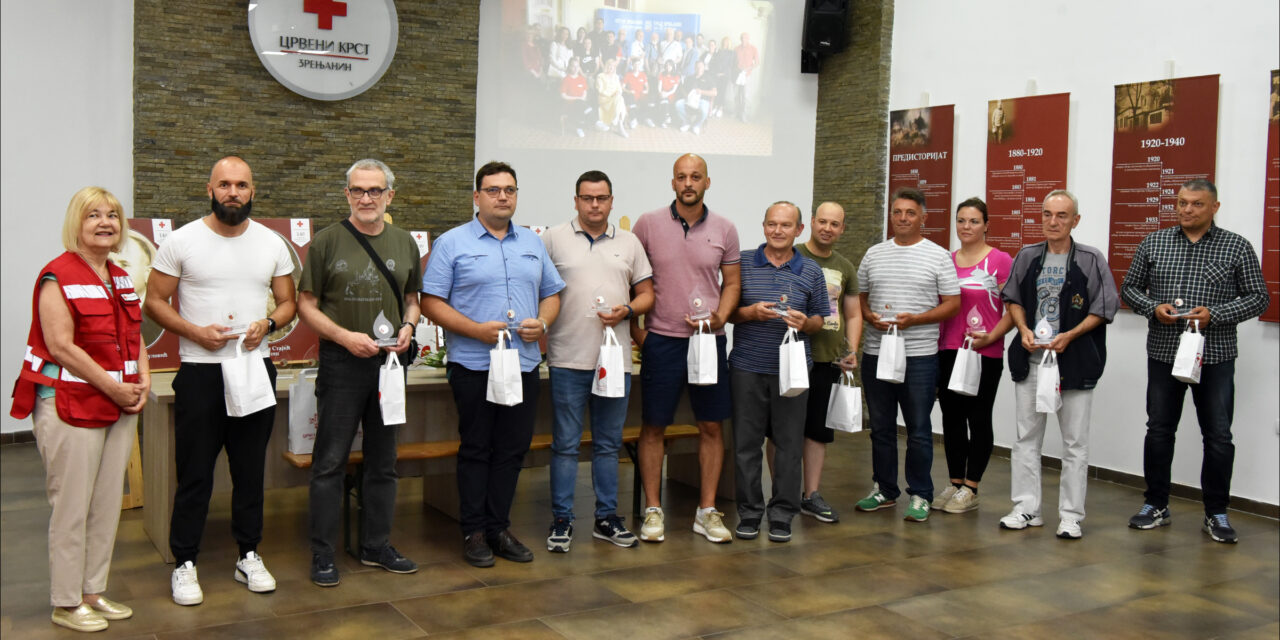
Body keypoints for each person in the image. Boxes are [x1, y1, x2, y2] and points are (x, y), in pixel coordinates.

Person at [144, 156, 297, 605]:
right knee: (195, 472)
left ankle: (248, 554)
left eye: (242, 185)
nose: (234, 192)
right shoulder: (182, 241)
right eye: (225, 184)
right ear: (209, 190)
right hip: (200, 371)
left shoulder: (270, 242)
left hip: (254, 368)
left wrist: (268, 324)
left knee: (249, 471)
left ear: (253, 191)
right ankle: (185, 562)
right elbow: (154, 301)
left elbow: (287, 302)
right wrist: (194, 332)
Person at [11, 187, 148, 632]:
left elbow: (134, 336)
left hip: (117, 405)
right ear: (77, 222)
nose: (105, 222)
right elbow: (61, 347)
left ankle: (92, 592)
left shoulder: (120, 276)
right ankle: (66, 602)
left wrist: (142, 380)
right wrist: (114, 388)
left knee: (106, 504)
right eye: (93, 215)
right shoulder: (57, 275)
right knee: (71, 506)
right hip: (69, 405)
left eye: (112, 215)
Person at [421, 162, 565, 567]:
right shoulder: (451, 242)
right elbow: (430, 301)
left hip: (522, 363)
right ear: (476, 196)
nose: (503, 196)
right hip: (473, 364)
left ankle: (499, 528)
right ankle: (474, 532)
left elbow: (552, 293)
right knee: (477, 449)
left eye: (509, 190)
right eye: (493, 190)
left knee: (512, 449)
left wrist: (543, 322)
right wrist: (474, 330)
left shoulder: (533, 242)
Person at [1120, 179, 1269, 543]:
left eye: (1196, 204)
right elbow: (1129, 288)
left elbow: (1258, 297)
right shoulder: (1154, 242)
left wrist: (1215, 314)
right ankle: (1155, 505)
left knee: (1218, 436)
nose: (1187, 209)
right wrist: (1152, 307)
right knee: (1159, 430)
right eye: (1182, 202)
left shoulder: (1236, 246)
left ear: (1214, 207)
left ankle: (1216, 512)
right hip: (1164, 353)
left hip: (1214, 356)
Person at [297, 159, 422, 587]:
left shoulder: (405, 242)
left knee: (384, 461)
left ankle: (375, 545)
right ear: (347, 194)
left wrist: (409, 327)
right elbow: (306, 305)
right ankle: (322, 553)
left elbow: (413, 299)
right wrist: (344, 337)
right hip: (342, 363)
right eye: (357, 190)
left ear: (390, 195)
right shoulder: (326, 242)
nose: (366, 198)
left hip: (390, 366)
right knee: (330, 462)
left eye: (375, 190)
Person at [631, 154, 741, 544]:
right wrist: (637, 333)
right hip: (662, 341)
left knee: (711, 425)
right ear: (673, 182)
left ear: (707, 182)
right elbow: (632, 280)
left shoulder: (725, 228)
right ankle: (653, 509)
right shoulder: (647, 224)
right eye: (682, 177)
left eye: (696, 177)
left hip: (709, 340)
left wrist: (721, 317)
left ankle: (706, 511)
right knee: (653, 426)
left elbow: (732, 283)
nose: (689, 183)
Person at [542, 170, 654, 553]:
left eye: (601, 198)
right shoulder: (552, 238)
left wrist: (628, 310)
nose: (594, 204)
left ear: (611, 201)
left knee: (608, 444)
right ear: (576, 200)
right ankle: (562, 519)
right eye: (587, 198)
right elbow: (539, 291)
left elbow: (647, 294)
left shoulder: (630, 242)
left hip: (614, 360)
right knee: (566, 444)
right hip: (567, 358)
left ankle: (607, 518)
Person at [999, 189, 1118, 540]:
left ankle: (1071, 516)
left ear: (1075, 220)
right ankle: (1026, 508)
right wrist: (1023, 329)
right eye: (1047, 214)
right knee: (1025, 438)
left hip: (1075, 363)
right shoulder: (1027, 256)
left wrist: (1071, 335)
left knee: (1075, 443)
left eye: (1062, 215)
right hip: (1032, 362)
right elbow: (1012, 298)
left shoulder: (1091, 259)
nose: (1053, 222)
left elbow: (1104, 307)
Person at [856, 188, 960, 523]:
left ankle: (921, 494)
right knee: (881, 427)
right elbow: (860, 297)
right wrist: (868, 316)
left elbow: (952, 304)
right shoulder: (873, 254)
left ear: (923, 217)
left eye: (910, 213)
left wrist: (916, 319)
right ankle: (885, 489)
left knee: (918, 429)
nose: (903, 218)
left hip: (919, 357)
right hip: (876, 352)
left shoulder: (938, 256)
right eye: (897, 212)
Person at [728, 201, 828, 543]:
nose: (777, 230)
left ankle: (783, 514)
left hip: (793, 370)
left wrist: (806, 322)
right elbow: (727, 312)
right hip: (746, 367)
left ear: (799, 230)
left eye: (786, 225)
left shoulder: (811, 270)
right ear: (763, 226)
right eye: (772, 224)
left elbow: (820, 319)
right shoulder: (742, 262)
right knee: (746, 444)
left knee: (788, 445)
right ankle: (749, 512)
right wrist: (750, 313)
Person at [772, 201, 862, 524]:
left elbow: (853, 313)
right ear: (811, 222)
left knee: (817, 431)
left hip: (827, 359)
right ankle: (780, 493)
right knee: (780, 431)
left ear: (842, 229)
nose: (827, 228)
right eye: (822, 221)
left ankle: (811, 495)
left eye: (834, 224)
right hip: (790, 355)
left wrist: (851, 349)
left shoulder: (845, 267)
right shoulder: (790, 254)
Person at [933, 198, 1013, 514]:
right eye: (961, 220)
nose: (966, 227)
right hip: (949, 349)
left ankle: (971, 487)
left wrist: (991, 337)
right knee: (951, 418)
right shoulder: (946, 261)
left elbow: (1014, 309)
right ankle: (955, 483)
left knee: (978, 418)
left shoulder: (1000, 260)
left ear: (986, 225)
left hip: (985, 352)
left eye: (974, 221)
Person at [675, 60, 716, 135]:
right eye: (697, 66)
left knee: (704, 111)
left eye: (701, 66)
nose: (699, 68)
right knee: (678, 104)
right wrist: (686, 95)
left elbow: (714, 93)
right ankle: (687, 122)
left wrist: (701, 91)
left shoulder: (708, 78)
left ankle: (696, 125)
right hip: (690, 100)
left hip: (702, 100)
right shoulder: (690, 78)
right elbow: (682, 88)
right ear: (694, 68)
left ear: (704, 68)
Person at [595, 57, 628, 138]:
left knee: (620, 98)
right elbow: (600, 90)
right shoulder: (600, 76)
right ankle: (619, 125)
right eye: (609, 65)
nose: (611, 67)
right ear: (606, 66)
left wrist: (617, 93)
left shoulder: (616, 77)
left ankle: (618, 123)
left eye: (613, 66)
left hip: (615, 99)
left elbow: (619, 89)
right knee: (620, 100)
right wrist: (612, 95)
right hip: (605, 99)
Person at [560, 56, 591, 138]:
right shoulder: (566, 79)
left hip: (581, 104)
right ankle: (581, 126)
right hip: (570, 105)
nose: (575, 68)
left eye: (577, 66)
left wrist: (581, 99)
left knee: (580, 104)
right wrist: (577, 99)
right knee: (579, 104)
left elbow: (585, 92)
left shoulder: (582, 79)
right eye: (573, 66)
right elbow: (563, 95)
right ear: (570, 67)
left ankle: (580, 125)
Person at [732, 32, 759, 122]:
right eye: (742, 38)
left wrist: (749, 68)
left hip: (747, 75)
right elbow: (733, 61)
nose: (744, 39)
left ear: (748, 39)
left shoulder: (753, 49)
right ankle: (736, 113)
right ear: (740, 39)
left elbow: (757, 63)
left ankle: (744, 115)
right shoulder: (736, 49)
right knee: (736, 94)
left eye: (746, 38)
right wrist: (737, 69)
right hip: (737, 75)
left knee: (745, 96)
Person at [622, 57, 654, 129]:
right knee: (630, 98)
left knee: (650, 99)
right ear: (632, 65)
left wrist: (646, 90)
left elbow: (647, 86)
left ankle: (647, 119)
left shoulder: (643, 74)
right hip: (632, 96)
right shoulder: (628, 75)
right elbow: (622, 87)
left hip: (641, 95)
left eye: (638, 64)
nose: (637, 66)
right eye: (635, 64)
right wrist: (629, 91)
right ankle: (633, 119)